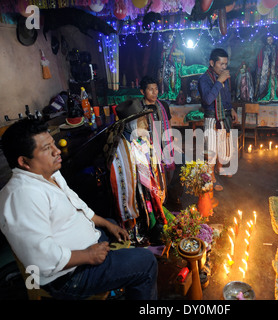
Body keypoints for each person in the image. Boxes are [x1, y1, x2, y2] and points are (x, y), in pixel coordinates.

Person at [0, 118, 158, 300]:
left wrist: (106, 224)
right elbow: (41, 259)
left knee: (113, 224)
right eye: (46, 149)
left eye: (53, 144)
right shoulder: (22, 196)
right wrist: (88, 256)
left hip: (83, 250)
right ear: (24, 162)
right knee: (146, 263)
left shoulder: (48, 173)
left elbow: (78, 205)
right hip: (69, 276)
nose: (57, 151)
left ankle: (120, 279)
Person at [139, 75, 183, 208]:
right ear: (142, 92)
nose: (154, 92)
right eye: (150, 89)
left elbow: (169, 125)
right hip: (149, 148)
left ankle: (173, 196)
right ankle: (159, 202)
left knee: (182, 162)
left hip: (165, 145)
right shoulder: (140, 109)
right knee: (157, 172)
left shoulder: (163, 105)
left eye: (156, 89)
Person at [198, 48, 238, 191]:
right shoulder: (204, 79)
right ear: (212, 63)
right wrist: (219, 81)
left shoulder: (224, 76)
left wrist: (231, 108)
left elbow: (226, 96)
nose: (224, 67)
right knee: (211, 149)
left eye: (225, 64)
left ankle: (220, 168)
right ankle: (211, 176)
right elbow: (208, 100)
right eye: (221, 64)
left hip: (223, 116)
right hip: (211, 117)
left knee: (223, 145)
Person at [254, 35, 278, 102]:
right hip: (265, 69)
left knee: (274, 82)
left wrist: (277, 65)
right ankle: (265, 96)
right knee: (265, 83)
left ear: (273, 40)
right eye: (268, 39)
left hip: (274, 69)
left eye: (271, 39)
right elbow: (260, 57)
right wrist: (261, 67)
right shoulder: (264, 49)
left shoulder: (276, 48)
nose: (270, 41)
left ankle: (274, 96)